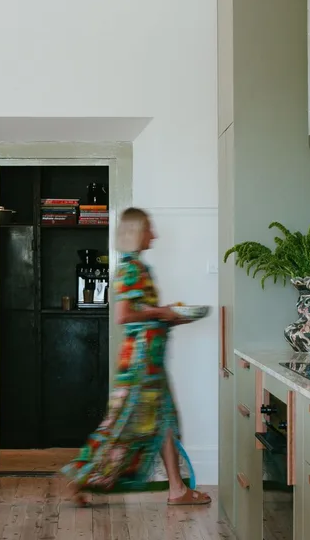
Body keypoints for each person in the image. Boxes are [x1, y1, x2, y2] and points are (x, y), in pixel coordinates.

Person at [61, 207, 211, 507]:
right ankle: (77, 478)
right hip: (141, 364)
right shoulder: (130, 268)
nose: (154, 234)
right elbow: (124, 315)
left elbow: (142, 313)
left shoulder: (139, 267)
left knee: (163, 420)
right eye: (149, 229)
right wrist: (163, 312)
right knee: (122, 424)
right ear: (135, 232)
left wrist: (170, 317)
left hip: (149, 361)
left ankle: (177, 490)